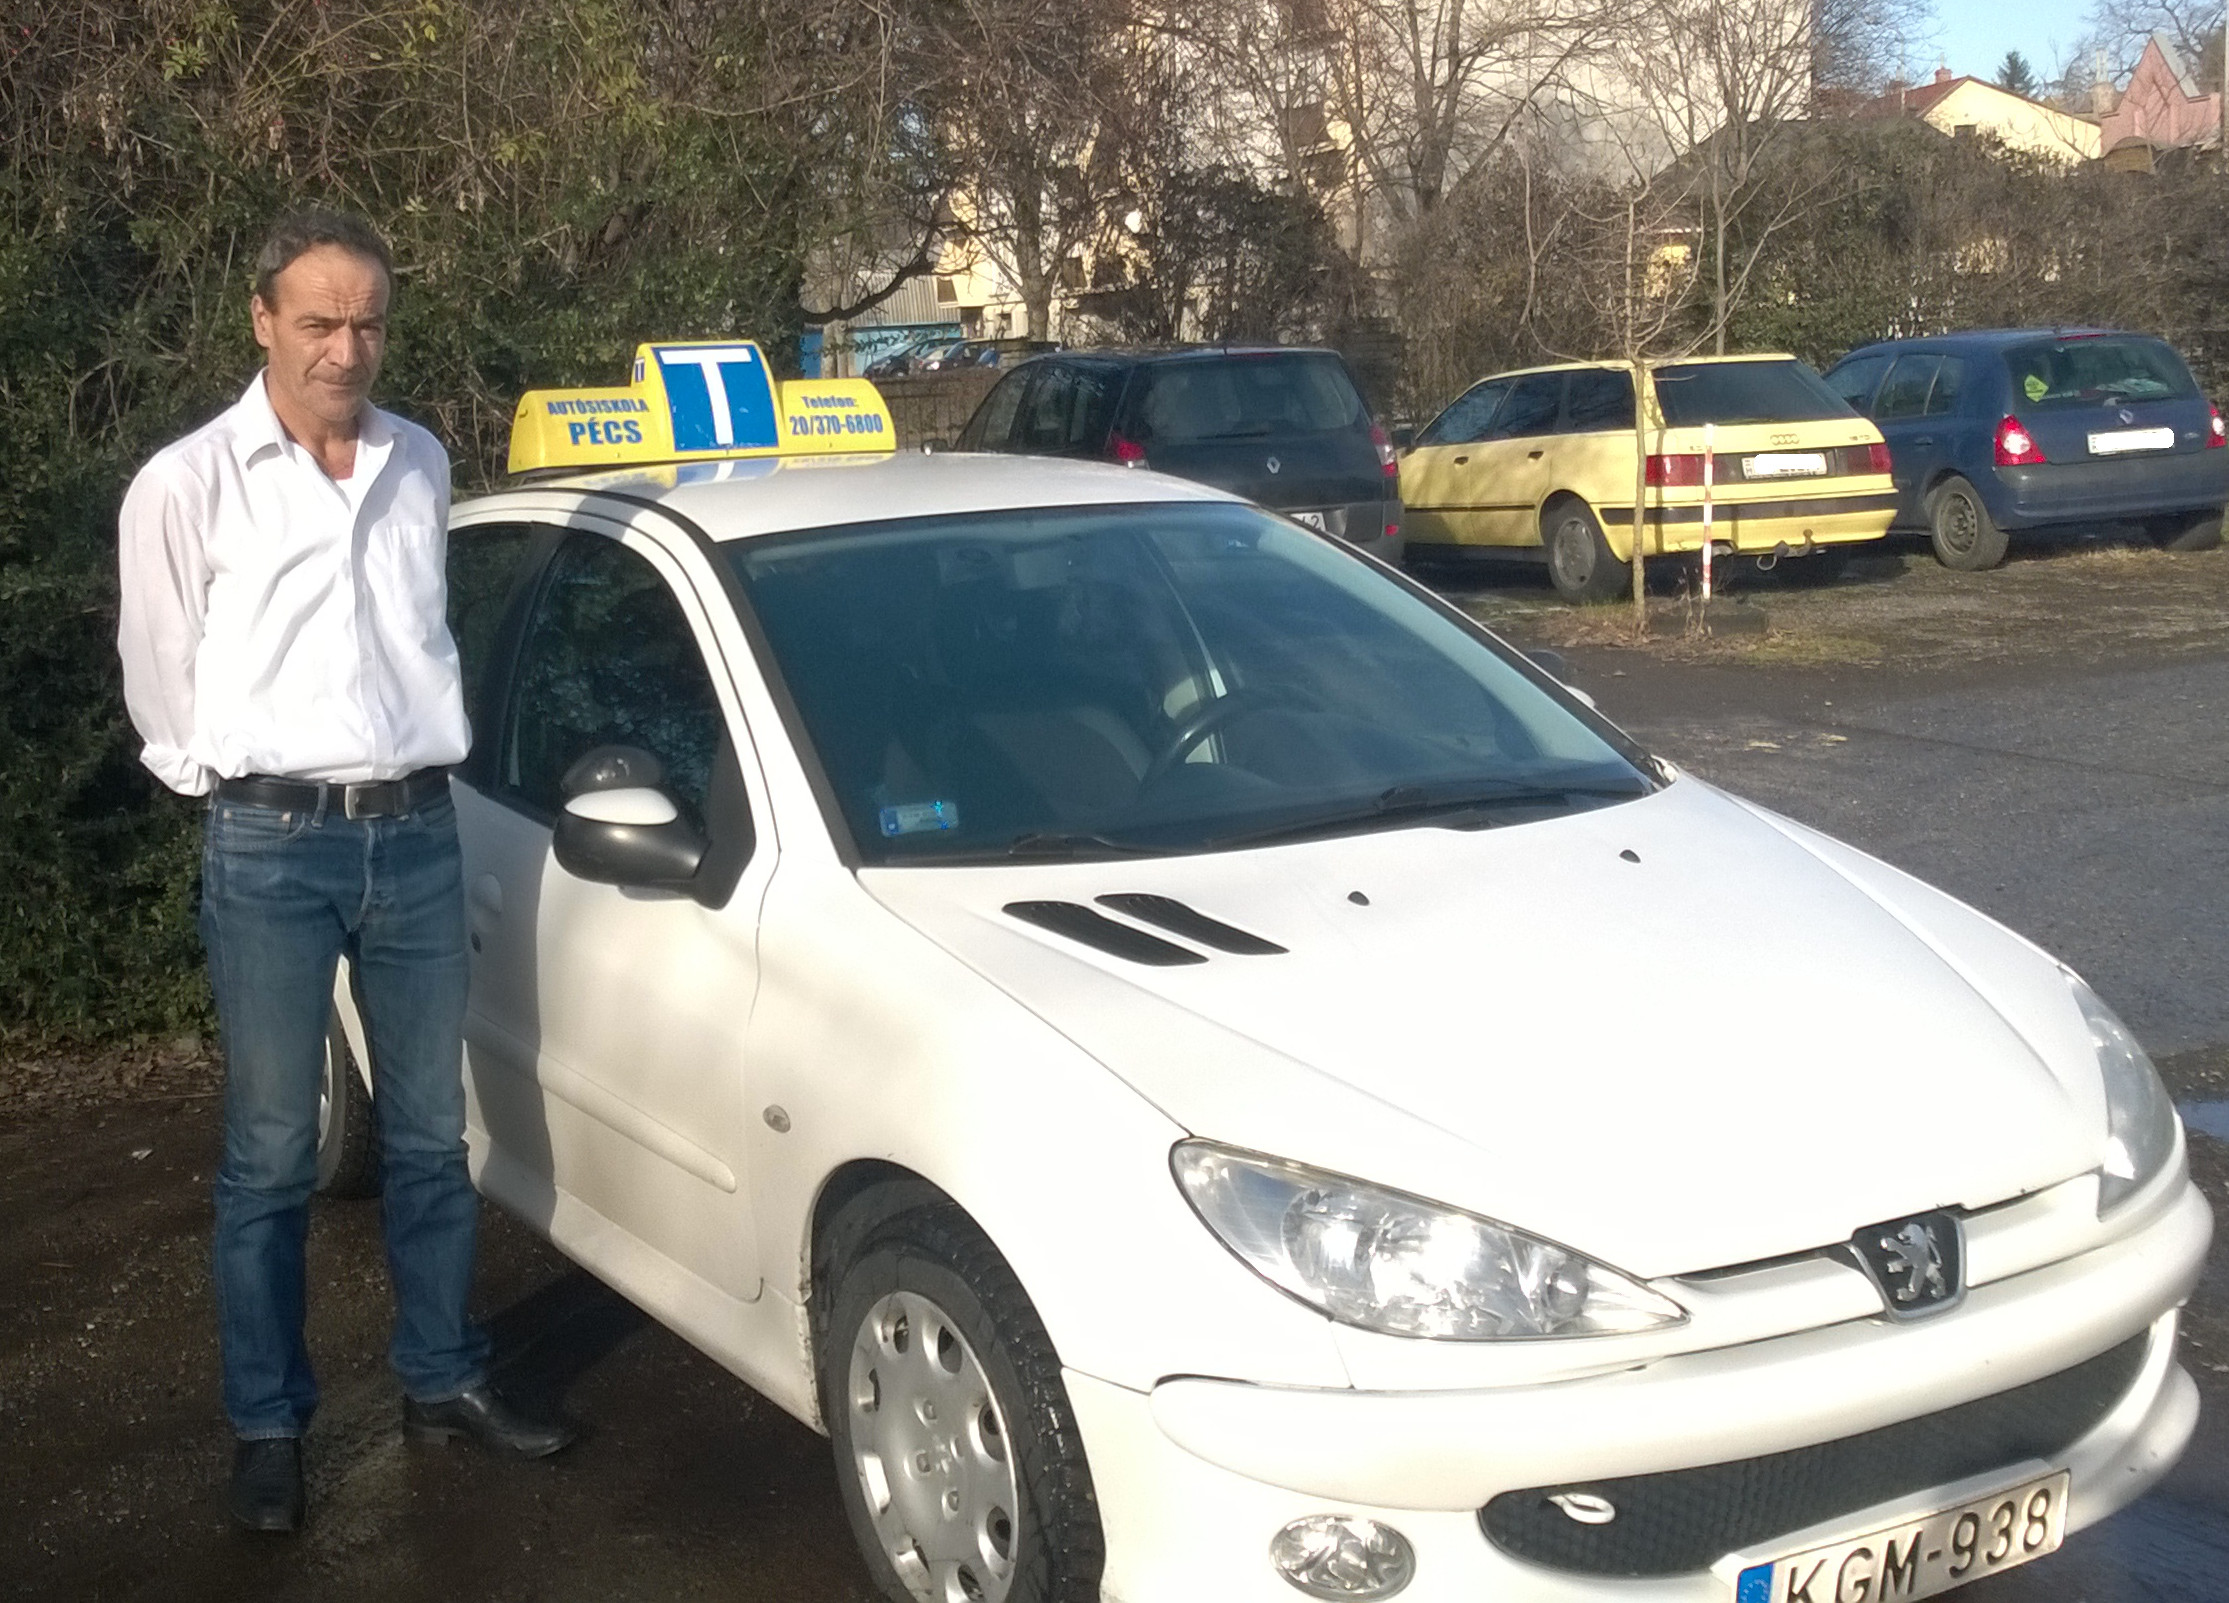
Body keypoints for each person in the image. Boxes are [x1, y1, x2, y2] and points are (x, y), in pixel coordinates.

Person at [116, 209, 574, 1535]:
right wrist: (235, 787)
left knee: (432, 1136)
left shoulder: (417, 459)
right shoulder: (189, 482)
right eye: (317, 321)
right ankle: (269, 1425)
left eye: (367, 322)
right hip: (271, 843)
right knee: (270, 1154)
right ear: (262, 320)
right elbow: (160, 670)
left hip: (419, 832)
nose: (345, 348)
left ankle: (441, 1375)